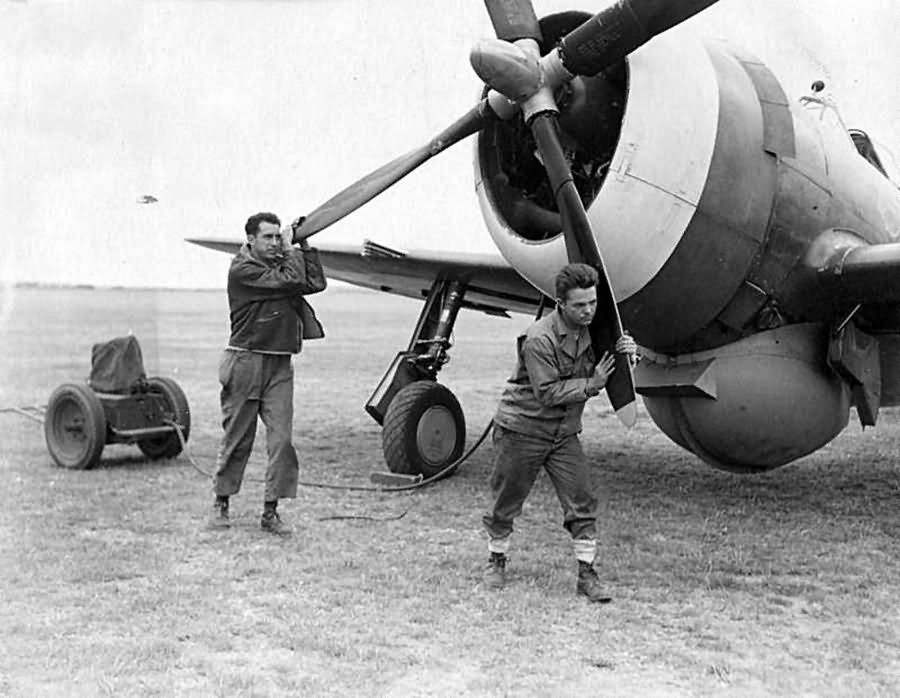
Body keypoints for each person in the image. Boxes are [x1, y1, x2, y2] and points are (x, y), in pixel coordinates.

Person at [482, 262, 637, 602]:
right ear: (560, 304)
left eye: (593, 303)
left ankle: (587, 574)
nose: (589, 311)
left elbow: (612, 363)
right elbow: (548, 393)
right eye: (580, 305)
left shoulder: (595, 330)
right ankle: (496, 560)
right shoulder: (539, 338)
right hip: (522, 429)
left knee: (582, 499)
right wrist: (592, 384)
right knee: (506, 501)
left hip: (563, 434)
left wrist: (628, 354)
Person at [209, 212, 326, 533]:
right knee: (238, 438)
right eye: (268, 237)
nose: (275, 242)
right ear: (250, 240)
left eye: (278, 236)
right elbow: (292, 280)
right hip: (246, 361)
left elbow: (315, 282)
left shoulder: (278, 264)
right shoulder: (243, 269)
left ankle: (270, 511)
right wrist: (291, 249)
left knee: (282, 441)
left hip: (280, 363)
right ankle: (221, 503)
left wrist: (304, 242)